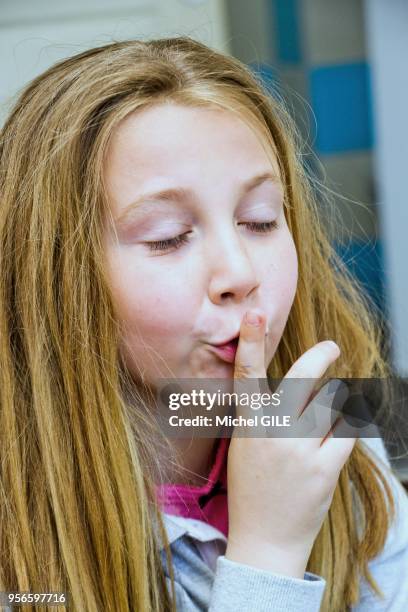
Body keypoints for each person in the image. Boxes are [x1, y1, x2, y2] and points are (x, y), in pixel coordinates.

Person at [0, 35, 407, 612]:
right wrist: (269, 555)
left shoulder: (328, 429)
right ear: (58, 280)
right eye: (168, 236)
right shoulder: (18, 560)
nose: (239, 273)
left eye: (260, 221)